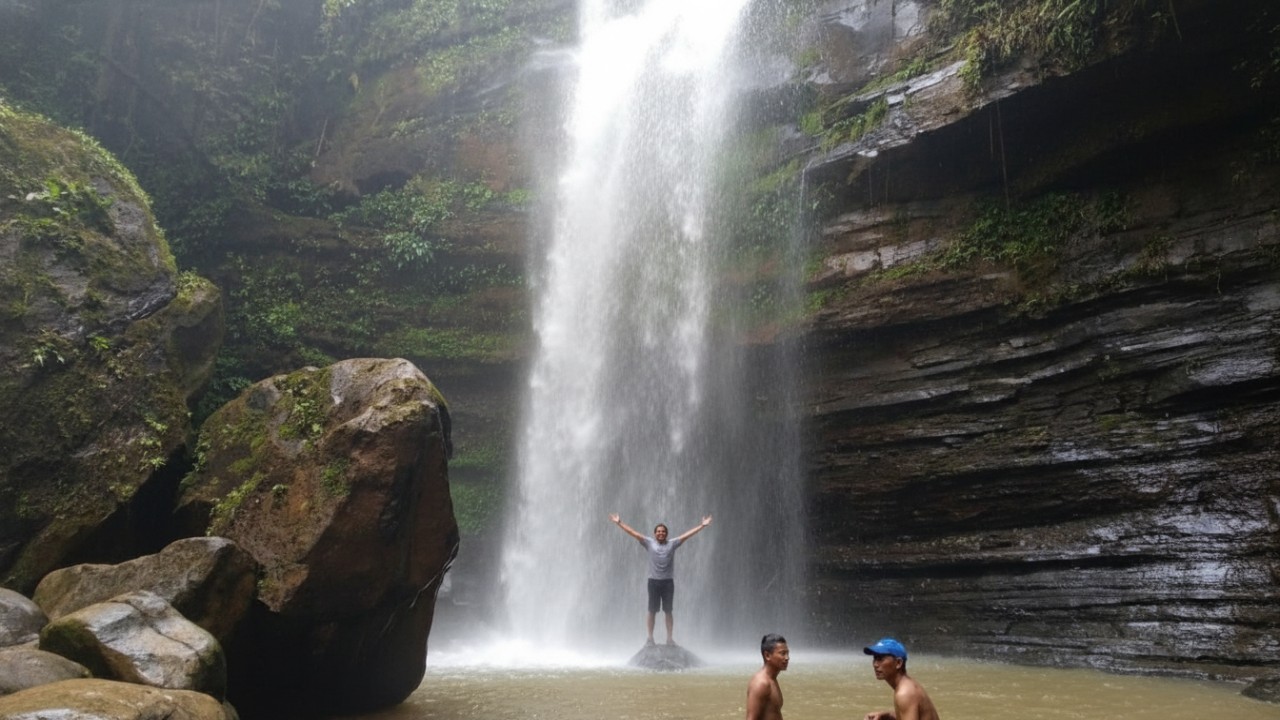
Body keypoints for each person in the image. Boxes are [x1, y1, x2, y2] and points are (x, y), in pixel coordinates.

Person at [608, 512, 712, 645]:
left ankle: (669, 639)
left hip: (668, 582)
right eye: (658, 531)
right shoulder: (649, 543)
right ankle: (650, 638)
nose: (661, 533)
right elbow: (633, 533)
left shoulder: (672, 544)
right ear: (655, 533)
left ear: (666, 534)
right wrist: (619, 523)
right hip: (653, 582)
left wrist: (702, 526)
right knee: (652, 611)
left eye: (663, 531)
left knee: (668, 611)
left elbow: (687, 535)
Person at [862, 637, 940, 720]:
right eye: (875, 658)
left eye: (881, 659)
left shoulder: (905, 693)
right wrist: (888, 715)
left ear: (898, 663)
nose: (875, 664)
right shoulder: (907, 684)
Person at [746, 633, 789, 720]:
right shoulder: (761, 684)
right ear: (767, 656)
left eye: (787, 653)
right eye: (782, 653)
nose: (787, 658)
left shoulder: (772, 679)